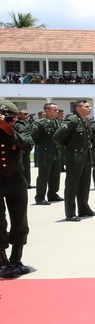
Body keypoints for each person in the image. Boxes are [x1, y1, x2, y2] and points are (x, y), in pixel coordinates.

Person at [53, 100, 95, 222]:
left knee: (84, 185)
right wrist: (69, 148)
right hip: (74, 158)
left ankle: (83, 209)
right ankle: (70, 212)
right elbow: (57, 137)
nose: (90, 108)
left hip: (86, 157)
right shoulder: (72, 120)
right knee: (72, 185)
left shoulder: (85, 121)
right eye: (87, 106)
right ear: (78, 108)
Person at [0, 100, 32, 279]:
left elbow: (28, 145)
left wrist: (9, 130)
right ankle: (3, 262)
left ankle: (16, 259)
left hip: (16, 180)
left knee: (19, 220)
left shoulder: (18, 127)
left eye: (8, 115)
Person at [30, 102, 63, 205]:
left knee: (55, 175)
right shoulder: (40, 123)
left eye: (57, 110)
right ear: (47, 111)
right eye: (55, 110)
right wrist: (42, 146)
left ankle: (52, 194)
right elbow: (34, 137)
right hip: (45, 153)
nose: (57, 111)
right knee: (43, 176)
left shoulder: (58, 123)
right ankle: (40, 197)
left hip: (56, 152)